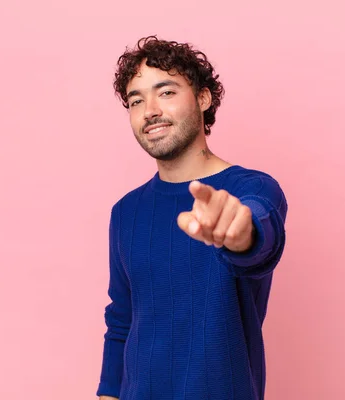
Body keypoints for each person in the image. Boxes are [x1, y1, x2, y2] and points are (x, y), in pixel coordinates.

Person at [96, 35, 288, 400]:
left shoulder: (253, 189)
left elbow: (261, 234)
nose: (150, 109)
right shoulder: (125, 212)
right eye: (137, 100)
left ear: (203, 98)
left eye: (166, 92)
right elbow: (121, 319)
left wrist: (240, 231)